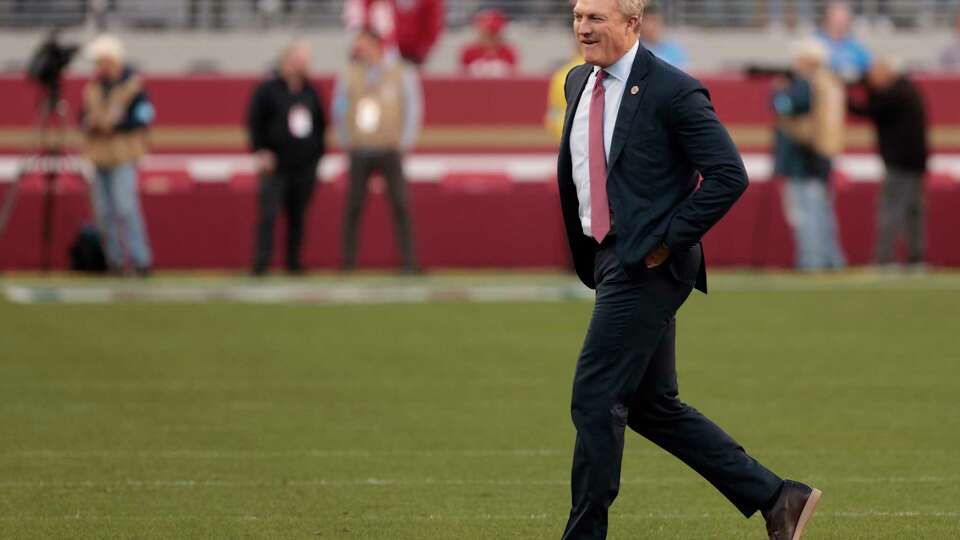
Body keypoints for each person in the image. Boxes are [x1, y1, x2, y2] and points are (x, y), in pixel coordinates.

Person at [557, 1, 820, 539]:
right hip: (608, 259)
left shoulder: (673, 89)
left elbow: (728, 174)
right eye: (578, 16)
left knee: (594, 395)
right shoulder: (578, 82)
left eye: (596, 18)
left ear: (632, 24)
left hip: (647, 265)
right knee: (650, 406)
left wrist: (666, 242)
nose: (583, 27)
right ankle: (777, 498)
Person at [333, 29, 423, 273]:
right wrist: (346, 140)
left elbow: (412, 108)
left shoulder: (399, 72)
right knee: (353, 207)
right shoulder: (350, 74)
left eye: (362, 43)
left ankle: (409, 262)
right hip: (360, 149)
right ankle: (348, 264)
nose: (358, 49)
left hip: (388, 148)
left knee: (400, 205)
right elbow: (339, 108)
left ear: (375, 44)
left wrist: (404, 142)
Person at [247, 40, 327, 276]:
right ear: (286, 61)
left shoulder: (311, 91)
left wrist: (316, 156)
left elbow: (321, 125)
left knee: (297, 216)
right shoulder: (267, 90)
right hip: (275, 164)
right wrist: (261, 151)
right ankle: (262, 263)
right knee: (269, 214)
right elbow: (255, 123)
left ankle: (294, 262)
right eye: (299, 60)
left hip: (303, 166)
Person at [80, 34, 154, 276]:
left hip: (123, 154)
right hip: (99, 154)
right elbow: (82, 118)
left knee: (125, 207)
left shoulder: (134, 87)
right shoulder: (92, 89)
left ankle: (140, 260)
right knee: (103, 211)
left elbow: (144, 117)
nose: (99, 67)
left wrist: (118, 125)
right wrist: (90, 124)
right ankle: (114, 260)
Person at [773, 38, 847, 271]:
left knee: (806, 215)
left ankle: (812, 261)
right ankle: (830, 259)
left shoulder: (805, 84)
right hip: (820, 156)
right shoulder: (829, 83)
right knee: (822, 212)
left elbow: (783, 106)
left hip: (803, 160)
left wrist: (779, 93)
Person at [848, 58, 929, 267]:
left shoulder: (896, 94)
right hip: (914, 161)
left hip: (900, 162)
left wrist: (846, 92)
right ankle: (915, 257)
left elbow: (866, 109)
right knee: (913, 211)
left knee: (892, 210)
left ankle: (884, 257)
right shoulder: (907, 89)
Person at [343, 0, 445, 67]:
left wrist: (417, 55)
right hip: (371, 60)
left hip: (410, 60)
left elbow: (431, 30)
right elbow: (357, 22)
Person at [816, 1, 871, 82]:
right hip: (826, 84)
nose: (841, 23)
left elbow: (868, 64)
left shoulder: (855, 44)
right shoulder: (816, 41)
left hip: (853, 83)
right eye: (837, 18)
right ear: (828, 18)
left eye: (844, 18)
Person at [459, 10, 519, 78]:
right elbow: (461, 76)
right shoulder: (469, 51)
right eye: (487, 32)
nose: (491, 35)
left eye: (494, 32)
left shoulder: (508, 52)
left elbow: (513, 77)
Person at [639, 3, 688, 69]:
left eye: (656, 20)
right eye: (648, 21)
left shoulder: (674, 49)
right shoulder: (634, 49)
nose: (653, 26)